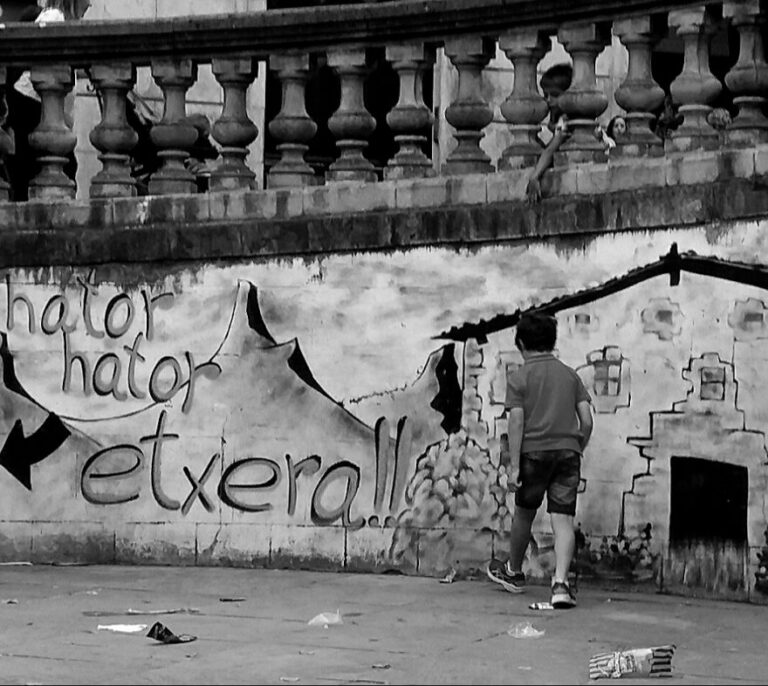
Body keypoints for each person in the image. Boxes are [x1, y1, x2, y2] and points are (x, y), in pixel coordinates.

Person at [486, 313, 593, 609]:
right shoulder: (571, 376)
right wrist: (577, 445)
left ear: (520, 343)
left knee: (524, 513)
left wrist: (515, 466)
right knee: (563, 520)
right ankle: (560, 585)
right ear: (553, 342)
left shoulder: (519, 378)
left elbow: (516, 423)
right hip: (567, 452)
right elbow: (586, 419)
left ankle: (515, 572)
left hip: (533, 453)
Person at [6, 0, 91, 200]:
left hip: (37, 107)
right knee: (59, 171)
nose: (91, 3)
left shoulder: (60, 20)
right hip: (34, 108)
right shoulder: (54, 18)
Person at [524, 63, 573, 205]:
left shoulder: (565, 119)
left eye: (555, 95)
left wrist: (534, 176)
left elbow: (552, 148)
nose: (549, 100)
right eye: (546, 95)